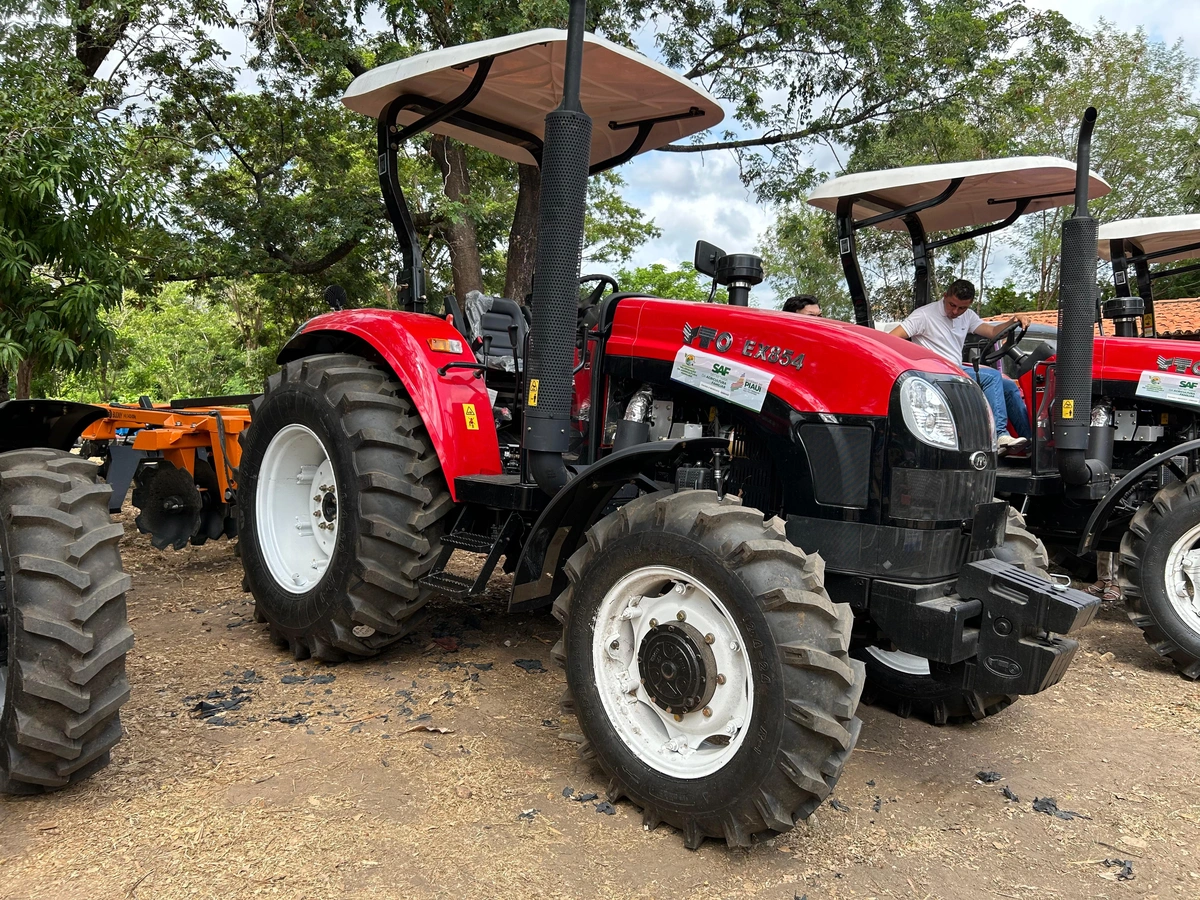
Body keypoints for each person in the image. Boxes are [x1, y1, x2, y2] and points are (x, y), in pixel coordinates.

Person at [889, 279, 1030, 454]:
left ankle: (1030, 444)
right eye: (952, 305)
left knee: (1008, 386)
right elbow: (891, 338)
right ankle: (999, 435)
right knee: (992, 377)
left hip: (956, 369)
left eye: (961, 308)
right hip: (936, 373)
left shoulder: (968, 316)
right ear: (945, 296)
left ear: (969, 305)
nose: (955, 311)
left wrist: (1012, 321)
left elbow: (993, 332)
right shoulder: (924, 315)